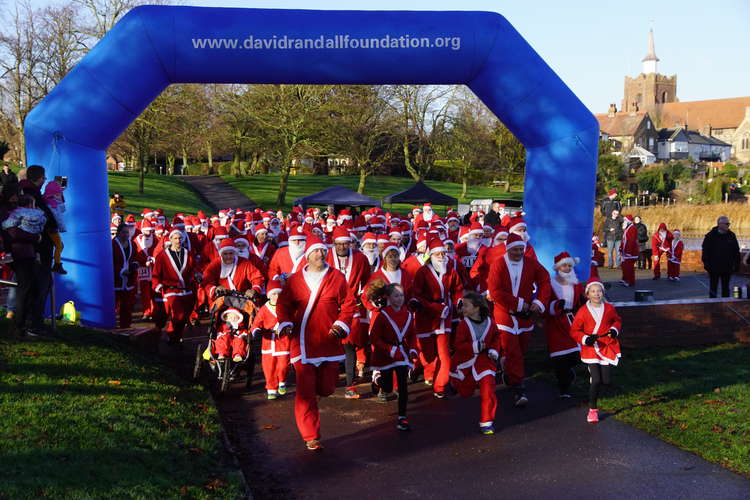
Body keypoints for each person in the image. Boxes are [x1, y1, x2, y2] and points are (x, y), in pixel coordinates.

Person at [276, 235, 357, 451]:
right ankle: (310, 435)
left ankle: (316, 400)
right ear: (307, 255)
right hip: (302, 343)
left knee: (328, 388)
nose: (320, 255)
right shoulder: (294, 281)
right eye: (315, 251)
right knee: (305, 391)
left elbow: (349, 304)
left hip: (329, 340)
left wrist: (341, 324)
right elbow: (282, 306)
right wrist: (284, 323)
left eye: (322, 251)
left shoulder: (337, 277)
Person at [487, 232, 550, 407]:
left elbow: (545, 280)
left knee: (520, 350)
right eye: (515, 250)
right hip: (504, 314)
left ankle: (508, 369)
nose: (519, 253)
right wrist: (518, 303)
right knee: (513, 351)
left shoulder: (531, 264)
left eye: (522, 249)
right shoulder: (498, 264)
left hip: (525, 316)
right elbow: (495, 291)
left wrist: (539, 301)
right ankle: (519, 388)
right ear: (508, 249)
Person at [409, 237, 463, 398]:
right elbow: (416, 295)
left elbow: (457, 290)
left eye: (443, 253)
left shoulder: (451, 272)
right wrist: (431, 307)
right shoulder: (422, 272)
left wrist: (458, 302)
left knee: (444, 353)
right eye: (437, 253)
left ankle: (440, 386)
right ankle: (419, 366)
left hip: (444, 316)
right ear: (431, 255)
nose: (441, 256)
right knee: (428, 355)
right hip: (426, 317)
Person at [326, 226, 371, 399]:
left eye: (346, 244)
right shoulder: (326, 255)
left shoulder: (360, 258)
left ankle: (350, 386)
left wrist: (365, 294)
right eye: (339, 244)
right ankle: (328, 380)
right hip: (330, 306)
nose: (342, 247)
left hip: (352, 307)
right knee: (329, 344)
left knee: (349, 345)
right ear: (333, 243)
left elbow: (367, 279)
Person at [570, 278, 622, 423]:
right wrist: (585, 338)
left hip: (605, 347)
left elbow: (617, 321)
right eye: (593, 291)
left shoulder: (609, 308)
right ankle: (593, 410)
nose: (597, 294)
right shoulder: (583, 311)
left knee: (606, 381)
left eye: (599, 291)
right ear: (587, 294)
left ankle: (596, 380)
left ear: (603, 292)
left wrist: (614, 330)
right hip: (591, 349)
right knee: (597, 381)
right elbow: (574, 331)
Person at [449, 292, 501, 435]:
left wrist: (494, 350)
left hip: (485, 361)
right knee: (466, 392)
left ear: (477, 308)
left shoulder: (490, 322)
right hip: (466, 362)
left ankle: (487, 422)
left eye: (466, 305)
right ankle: (454, 383)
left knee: (488, 390)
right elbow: (458, 345)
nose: (462, 309)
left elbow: (496, 337)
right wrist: (475, 346)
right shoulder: (463, 325)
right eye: (462, 305)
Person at [368, 283, 416, 431]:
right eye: (396, 295)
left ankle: (402, 417)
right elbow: (374, 338)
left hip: (401, 353)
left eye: (401, 295)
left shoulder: (408, 314)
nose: (400, 298)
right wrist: (389, 349)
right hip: (385, 354)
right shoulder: (382, 315)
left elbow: (412, 335)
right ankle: (378, 381)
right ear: (388, 298)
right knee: (388, 387)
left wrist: (413, 350)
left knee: (402, 385)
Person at [1, 193, 44, 337]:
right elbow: (13, 233)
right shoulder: (14, 217)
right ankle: (19, 326)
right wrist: (35, 237)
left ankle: (23, 324)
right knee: (25, 289)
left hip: (26, 254)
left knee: (32, 288)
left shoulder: (16, 216)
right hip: (21, 254)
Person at [544, 252, 584, 398]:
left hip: (572, 321)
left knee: (575, 355)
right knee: (559, 357)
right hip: (556, 323)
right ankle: (564, 389)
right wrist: (555, 305)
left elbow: (580, 303)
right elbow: (544, 304)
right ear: (557, 268)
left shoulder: (576, 284)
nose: (567, 268)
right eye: (564, 265)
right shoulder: (549, 284)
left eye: (569, 265)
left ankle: (569, 372)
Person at [152, 229, 198, 346]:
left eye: (180, 238)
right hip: (171, 289)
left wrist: (198, 274)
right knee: (179, 314)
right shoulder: (162, 256)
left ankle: (176, 337)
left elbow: (194, 268)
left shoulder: (188, 253)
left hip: (186, 290)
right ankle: (172, 334)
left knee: (184, 317)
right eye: (175, 238)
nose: (178, 241)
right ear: (170, 239)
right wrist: (157, 284)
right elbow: (156, 272)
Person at [251, 280, 290, 399]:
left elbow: (292, 319)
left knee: (283, 365)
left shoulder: (286, 307)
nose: (276, 296)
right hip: (268, 342)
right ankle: (271, 388)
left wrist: (289, 327)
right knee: (269, 368)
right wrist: (256, 330)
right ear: (269, 295)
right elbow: (256, 322)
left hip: (283, 341)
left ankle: (282, 381)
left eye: (279, 293)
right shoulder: (264, 309)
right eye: (274, 294)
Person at [702, 216, 740, 298]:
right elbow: (705, 251)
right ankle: (712, 305)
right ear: (720, 224)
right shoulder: (710, 236)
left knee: (726, 288)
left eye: (729, 224)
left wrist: (737, 265)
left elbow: (736, 251)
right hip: (713, 267)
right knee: (713, 287)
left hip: (727, 267)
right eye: (727, 224)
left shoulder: (731, 235)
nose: (728, 225)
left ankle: (726, 305)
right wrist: (706, 264)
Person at [112, 222, 141, 328]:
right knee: (113, 304)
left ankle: (126, 326)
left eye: (127, 233)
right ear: (118, 233)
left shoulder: (132, 244)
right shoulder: (112, 244)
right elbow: (109, 262)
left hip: (128, 280)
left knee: (126, 305)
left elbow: (135, 258)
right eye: (124, 232)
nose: (126, 235)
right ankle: (112, 325)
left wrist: (134, 265)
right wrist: (120, 271)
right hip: (115, 280)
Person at [42, 180, 68, 274]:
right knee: (59, 245)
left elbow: (62, 209)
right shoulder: (53, 205)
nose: (60, 196)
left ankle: (56, 262)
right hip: (53, 228)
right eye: (58, 194)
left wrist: (60, 199)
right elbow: (59, 217)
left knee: (60, 245)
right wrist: (62, 228)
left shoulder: (49, 202)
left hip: (51, 228)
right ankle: (57, 264)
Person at [619, 215, 639, 287]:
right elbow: (624, 240)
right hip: (626, 251)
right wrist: (621, 248)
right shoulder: (628, 228)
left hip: (630, 252)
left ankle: (629, 281)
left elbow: (631, 241)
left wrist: (628, 252)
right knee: (624, 265)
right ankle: (625, 278)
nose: (624, 222)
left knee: (629, 267)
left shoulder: (632, 228)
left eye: (625, 221)